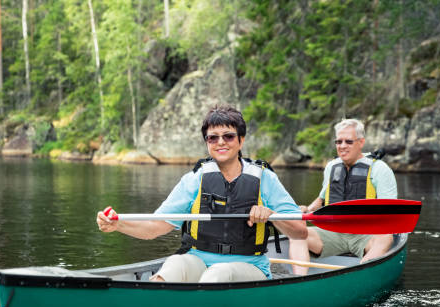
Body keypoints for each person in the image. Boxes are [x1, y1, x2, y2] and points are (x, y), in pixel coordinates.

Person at [96, 105, 308, 283]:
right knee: (174, 265)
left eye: (229, 136)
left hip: (249, 266)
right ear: (207, 143)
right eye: (213, 138)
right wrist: (117, 225)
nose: (221, 142)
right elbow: (154, 228)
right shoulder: (195, 180)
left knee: (217, 275)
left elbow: (300, 232)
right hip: (198, 260)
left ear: (241, 141)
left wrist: (271, 216)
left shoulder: (265, 179)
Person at [299, 118, 397, 263]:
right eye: (338, 142)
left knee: (385, 237)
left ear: (361, 142)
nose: (342, 146)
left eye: (348, 141)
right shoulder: (332, 167)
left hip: (366, 234)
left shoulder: (379, 169)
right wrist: (308, 209)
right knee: (297, 234)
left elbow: (390, 212)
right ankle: (301, 278)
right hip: (333, 232)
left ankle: (362, 271)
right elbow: (322, 198)